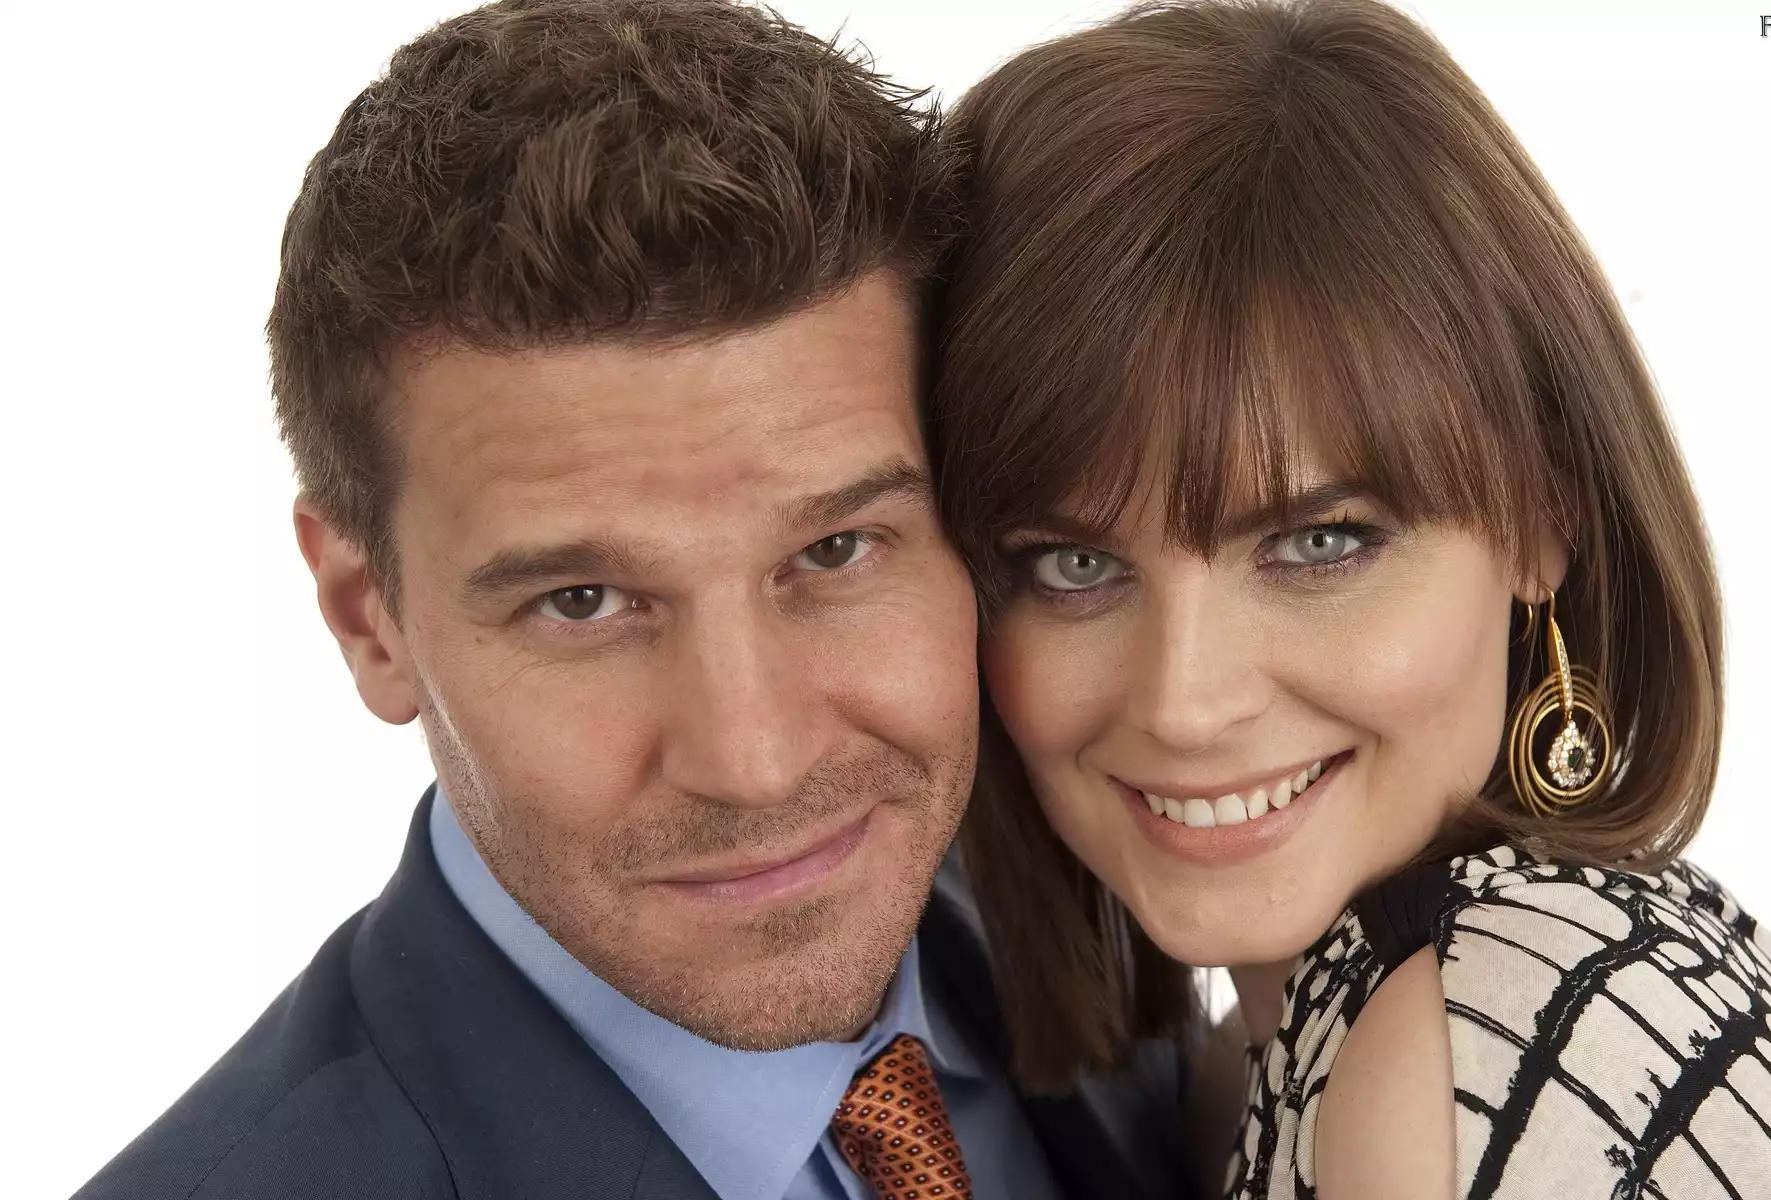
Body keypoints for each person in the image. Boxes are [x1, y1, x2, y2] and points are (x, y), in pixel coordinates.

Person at [73, 2, 1189, 1198]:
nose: (755, 763)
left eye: (835, 550)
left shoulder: (1113, 941)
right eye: (583, 601)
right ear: (366, 617)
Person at [927, 0, 1771, 1197]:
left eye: (1320, 543)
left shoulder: (1450, 1059)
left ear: (1544, 517)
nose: (1183, 701)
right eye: (1071, 566)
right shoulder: (1288, 1057)